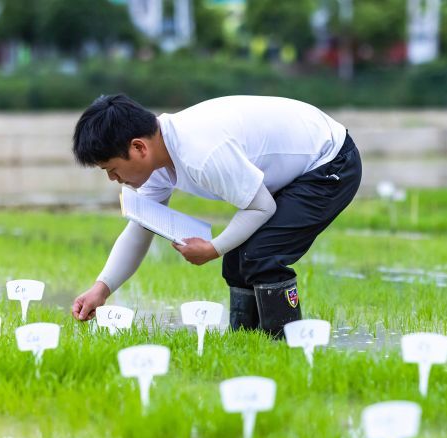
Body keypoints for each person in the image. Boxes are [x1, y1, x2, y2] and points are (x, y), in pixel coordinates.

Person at [70, 94, 362, 337]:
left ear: (138, 148)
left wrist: (213, 248)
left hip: (329, 160)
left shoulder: (201, 152)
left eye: (111, 168)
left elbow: (262, 207)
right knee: (236, 262)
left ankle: (285, 347)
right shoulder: (158, 160)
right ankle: (247, 345)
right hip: (295, 166)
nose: (113, 178)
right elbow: (140, 229)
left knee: (260, 255)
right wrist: (102, 287)